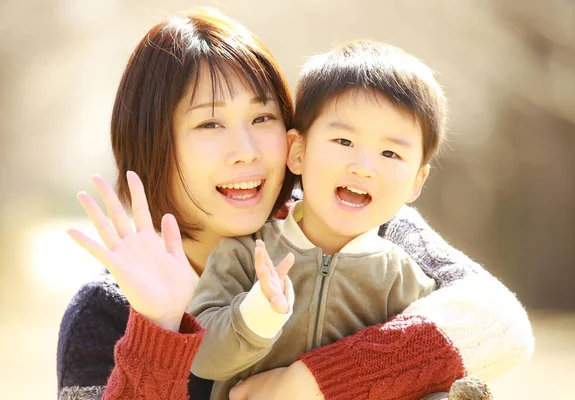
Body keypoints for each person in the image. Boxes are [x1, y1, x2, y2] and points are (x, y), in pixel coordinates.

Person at [56, 7, 534, 400]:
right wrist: (158, 330)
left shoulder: (366, 229)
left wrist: (310, 382)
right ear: (153, 143)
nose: (247, 149)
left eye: (262, 116)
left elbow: (498, 322)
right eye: (209, 124)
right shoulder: (106, 312)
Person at [187, 40, 456, 400]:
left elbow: (423, 378)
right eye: (344, 141)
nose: (363, 166)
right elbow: (200, 357)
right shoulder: (246, 251)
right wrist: (257, 313)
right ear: (298, 152)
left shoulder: (406, 283)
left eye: (390, 153)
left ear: (417, 182)